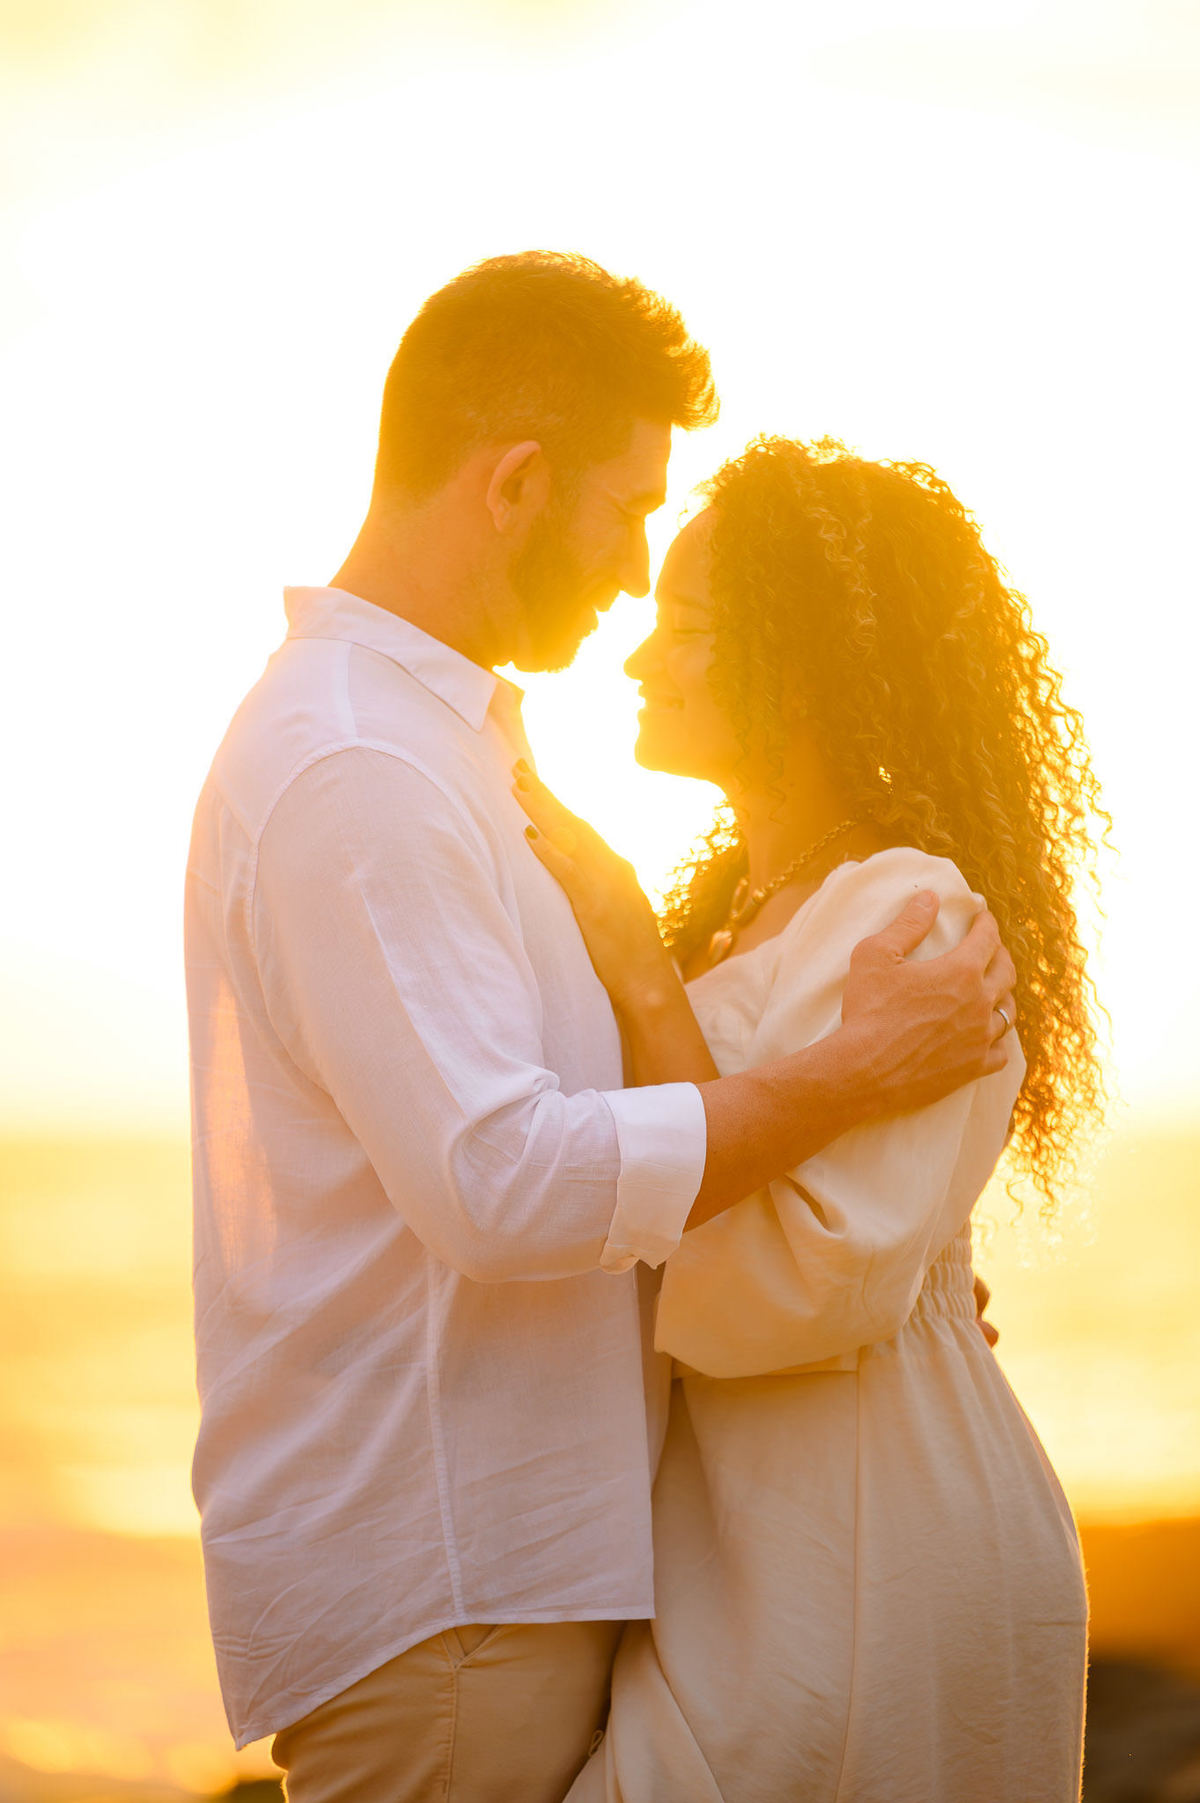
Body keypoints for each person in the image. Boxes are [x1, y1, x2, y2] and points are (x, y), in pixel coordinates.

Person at [184, 257, 1017, 1802]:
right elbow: (502, 1181)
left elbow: (607, 1143)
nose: (637, 574)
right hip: (456, 1589)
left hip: (511, 1579)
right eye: (629, 509)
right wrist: (851, 1081)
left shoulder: (444, 751)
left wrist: (899, 1281)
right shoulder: (361, 767)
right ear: (515, 484)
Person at [514, 436, 1102, 1803]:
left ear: (808, 660)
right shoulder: (738, 922)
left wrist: (628, 954)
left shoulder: (912, 915)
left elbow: (798, 1284)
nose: (640, 660)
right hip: (752, 1533)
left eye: (690, 628)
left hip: (857, 1537)